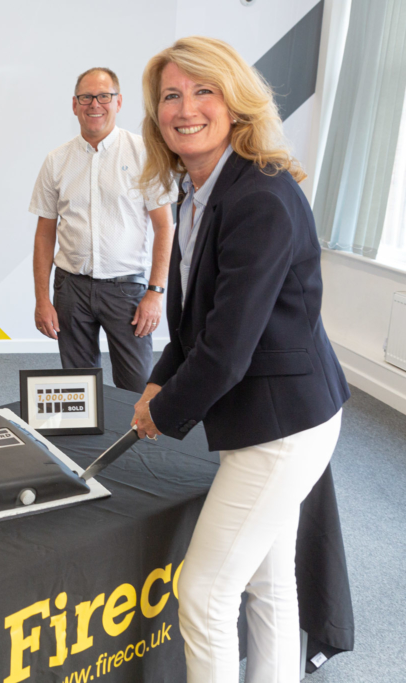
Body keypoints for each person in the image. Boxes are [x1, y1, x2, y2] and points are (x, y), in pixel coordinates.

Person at [130, 37, 351, 683]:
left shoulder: (259, 195)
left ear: (236, 105)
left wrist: (161, 412)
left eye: (204, 91)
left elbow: (225, 350)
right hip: (275, 414)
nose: (185, 108)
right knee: (268, 579)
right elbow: (197, 323)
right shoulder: (200, 193)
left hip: (282, 426)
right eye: (171, 95)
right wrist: (155, 382)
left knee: (202, 591)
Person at [30, 67, 176, 392]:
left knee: (136, 389)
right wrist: (42, 298)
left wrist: (155, 292)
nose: (95, 104)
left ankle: (135, 446)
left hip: (127, 291)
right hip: (71, 289)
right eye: (86, 97)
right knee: (80, 390)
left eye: (104, 96)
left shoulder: (145, 154)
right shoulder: (57, 161)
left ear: (118, 101)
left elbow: (165, 227)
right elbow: (44, 234)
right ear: (74, 104)